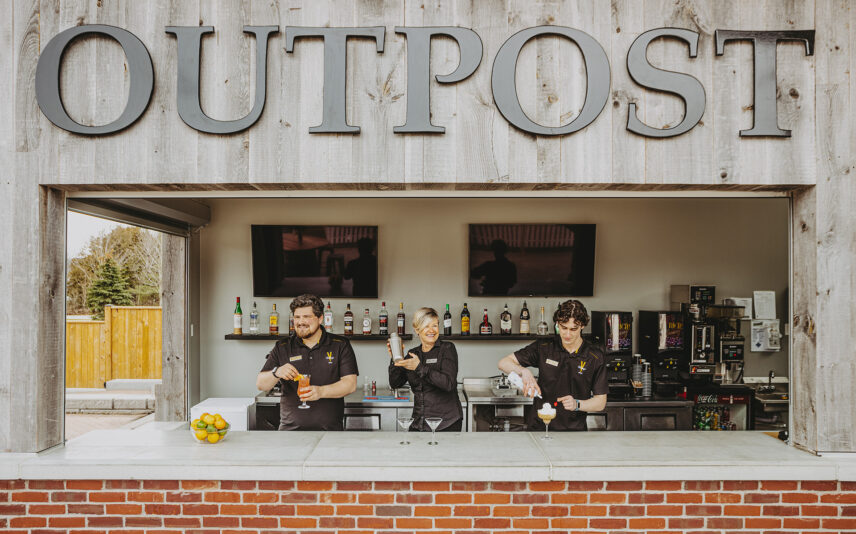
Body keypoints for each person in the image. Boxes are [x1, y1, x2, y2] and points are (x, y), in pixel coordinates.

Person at [497, 299, 607, 431]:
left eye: (573, 329)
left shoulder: (595, 356)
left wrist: (577, 404)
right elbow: (503, 363)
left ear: (582, 326)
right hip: (538, 427)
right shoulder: (544, 347)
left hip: (574, 431)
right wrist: (523, 372)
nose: (567, 334)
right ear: (557, 324)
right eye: (563, 327)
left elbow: (600, 402)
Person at [256, 294, 358, 430]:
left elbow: (350, 385)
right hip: (289, 432)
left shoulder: (340, 345)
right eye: (297, 317)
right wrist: (277, 372)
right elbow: (261, 384)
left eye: (307, 317)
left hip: (331, 432)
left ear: (320, 318)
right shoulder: (283, 346)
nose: (300, 322)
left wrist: (321, 392)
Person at [388, 307, 463, 432]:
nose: (431, 330)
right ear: (417, 330)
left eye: (435, 325)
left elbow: (448, 384)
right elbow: (395, 383)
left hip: (446, 423)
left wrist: (419, 367)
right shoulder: (413, 354)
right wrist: (395, 359)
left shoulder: (447, 348)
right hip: (419, 423)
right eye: (426, 326)